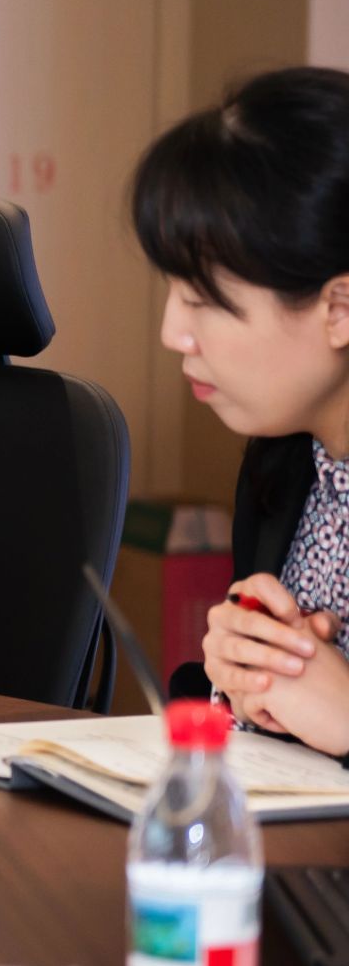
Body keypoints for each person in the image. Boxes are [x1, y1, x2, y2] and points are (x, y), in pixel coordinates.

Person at [133, 65, 349, 760]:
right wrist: (233, 677)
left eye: (204, 301)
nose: (173, 332)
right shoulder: (283, 462)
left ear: (339, 308)